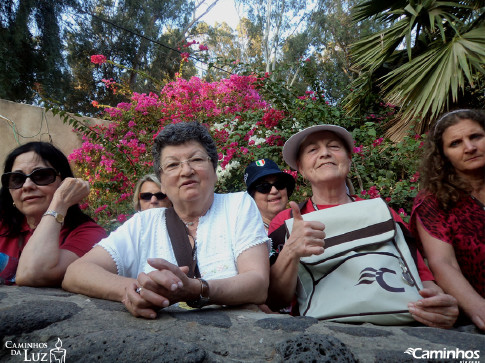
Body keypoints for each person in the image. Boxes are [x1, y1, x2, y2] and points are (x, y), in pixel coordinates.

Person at [62, 121, 270, 319]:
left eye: (197, 160)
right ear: (161, 183)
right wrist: (134, 290)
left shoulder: (238, 205)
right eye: (172, 165)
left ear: (214, 171)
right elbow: (77, 272)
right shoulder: (144, 223)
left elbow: (257, 284)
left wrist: (197, 290)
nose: (186, 171)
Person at [267, 124, 459, 329]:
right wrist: (290, 252)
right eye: (312, 150)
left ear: (349, 160)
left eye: (334, 146)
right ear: (301, 169)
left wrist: (439, 305)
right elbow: (277, 300)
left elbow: (422, 279)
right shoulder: (286, 223)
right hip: (321, 331)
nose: (324, 153)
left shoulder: (383, 213)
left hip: (399, 325)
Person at [409, 109, 485, 331]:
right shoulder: (434, 201)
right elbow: (443, 263)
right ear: (443, 155)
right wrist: (478, 309)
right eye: (456, 143)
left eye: (476, 137)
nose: (469, 147)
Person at [0, 142, 106, 286]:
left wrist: (60, 203)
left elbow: (32, 273)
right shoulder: (2, 224)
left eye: (41, 176)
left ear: (64, 182)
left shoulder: (88, 234)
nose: (27, 186)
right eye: (17, 179)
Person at [244, 158, 295, 233]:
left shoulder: (304, 220)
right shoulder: (250, 235)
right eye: (264, 186)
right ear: (252, 196)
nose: (274, 191)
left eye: (279, 184)